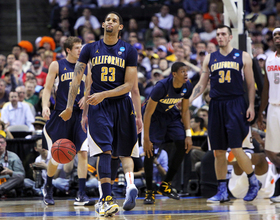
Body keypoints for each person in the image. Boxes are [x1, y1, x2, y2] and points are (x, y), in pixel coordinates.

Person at [59, 12, 140, 217]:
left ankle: (120, 191)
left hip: (121, 103)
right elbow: (77, 81)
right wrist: (71, 107)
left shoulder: (129, 50)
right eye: (108, 20)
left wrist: (103, 94)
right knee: (104, 150)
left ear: (120, 27)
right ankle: (107, 198)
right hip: (98, 107)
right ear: (103, 24)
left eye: (114, 20)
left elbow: (129, 85)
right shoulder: (89, 48)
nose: (110, 22)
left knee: (123, 151)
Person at [189, 24, 261, 203]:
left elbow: (251, 85)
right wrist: (188, 100)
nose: (220, 37)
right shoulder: (209, 58)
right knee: (218, 152)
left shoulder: (243, 56)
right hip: (216, 106)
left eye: (223, 34)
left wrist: (251, 105)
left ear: (230, 37)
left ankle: (253, 182)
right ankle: (221, 190)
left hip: (236, 104)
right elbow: (202, 84)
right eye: (218, 34)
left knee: (237, 149)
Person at [41, 36, 92, 206]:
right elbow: (47, 88)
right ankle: (47, 186)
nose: (80, 50)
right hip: (61, 115)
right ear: (68, 50)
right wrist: (45, 106)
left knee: (83, 152)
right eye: (77, 47)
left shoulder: (87, 66)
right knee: (56, 156)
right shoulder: (57, 65)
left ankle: (81, 193)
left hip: (79, 116)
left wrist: (87, 98)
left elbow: (92, 87)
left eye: (81, 47)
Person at [142, 62, 193, 204]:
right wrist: (146, 138)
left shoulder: (187, 86)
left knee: (183, 144)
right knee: (149, 151)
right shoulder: (161, 87)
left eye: (186, 71)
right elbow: (148, 112)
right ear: (174, 74)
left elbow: (185, 111)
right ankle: (149, 191)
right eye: (182, 71)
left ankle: (166, 185)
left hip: (170, 114)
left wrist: (188, 134)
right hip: (153, 116)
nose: (186, 74)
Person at [257, 28, 280, 203]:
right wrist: (260, 113)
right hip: (272, 107)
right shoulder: (269, 59)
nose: (277, 38)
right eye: (275, 36)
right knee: (270, 150)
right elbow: (266, 88)